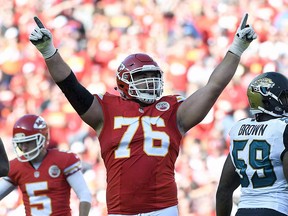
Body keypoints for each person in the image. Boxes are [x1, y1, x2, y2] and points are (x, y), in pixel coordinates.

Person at [29, 13, 257, 215]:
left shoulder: (172, 110)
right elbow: (70, 85)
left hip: (163, 208)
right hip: (121, 210)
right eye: (141, 77)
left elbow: (213, 87)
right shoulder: (105, 109)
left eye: (153, 77)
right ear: (124, 80)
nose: (150, 83)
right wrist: (49, 51)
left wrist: (237, 48)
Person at [216, 72, 288, 216]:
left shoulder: (239, 129)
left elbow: (224, 190)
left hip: (244, 210)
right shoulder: (283, 128)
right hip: (278, 209)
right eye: (283, 97)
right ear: (268, 101)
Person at [0, 114, 91, 216]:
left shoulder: (62, 160)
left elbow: (84, 195)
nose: (24, 148)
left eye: (28, 142)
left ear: (44, 138)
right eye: (20, 143)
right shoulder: (17, 166)